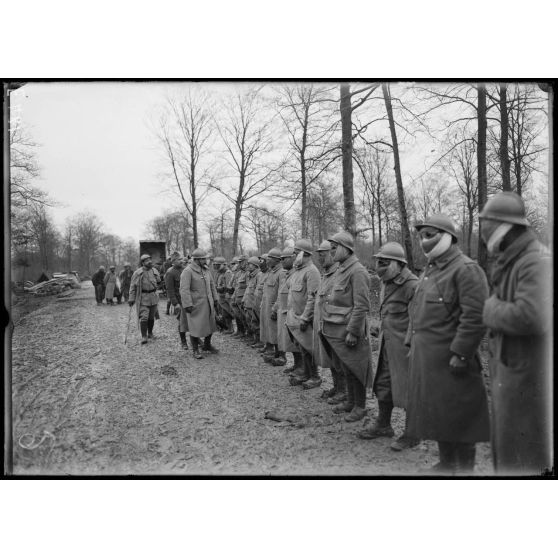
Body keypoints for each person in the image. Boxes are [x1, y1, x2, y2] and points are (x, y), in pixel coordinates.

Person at [405, 214, 489, 475]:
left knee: (460, 418)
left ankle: (464, 470)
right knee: (439, 414)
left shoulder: (466, 269)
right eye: (421, 236)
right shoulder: (431, 270)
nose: (423, 241)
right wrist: (411, 342)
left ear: (448, 237)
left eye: (430, 235)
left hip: (452, 362)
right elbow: (417, 309)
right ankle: (446, 463)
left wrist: (461, 354)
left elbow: (475, 317)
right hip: (429, 360)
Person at [479, 192, 552, 475]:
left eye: (486, 227)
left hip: (528, 381)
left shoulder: (536, 261)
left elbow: (532, 317)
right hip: (512, 375)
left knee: (524, 458)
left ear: (502, 227)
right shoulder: (517, 259)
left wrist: (490, 309)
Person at [357, 242, 419, 451]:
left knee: (410, 390)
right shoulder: (387, 281)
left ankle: (413, 433)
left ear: (398, 264)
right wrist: (379, 327)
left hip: (405, 348)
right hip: (387, 344)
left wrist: (413, 348)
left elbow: (417, 321)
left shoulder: (412, 285)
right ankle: (384, 424)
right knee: (383, 385)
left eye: (384, 263)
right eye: (378, 262)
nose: (379, 267)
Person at [320, 231, 372, 422]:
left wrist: (353, 331)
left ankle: (360, 406)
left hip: (350, 329)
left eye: (335, 248)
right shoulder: (343, 269)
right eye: (331, 248)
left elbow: (362, 305)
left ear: (345, 249)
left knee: (357, 367)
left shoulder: (357, 271)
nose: (332, 252)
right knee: (347, 366)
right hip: (338, 327)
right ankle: (351, 401)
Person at [286, 239, 322, 389]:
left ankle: (315, 376)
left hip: (304, 319)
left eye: (296, 253)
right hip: (294, 317)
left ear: (303, 254)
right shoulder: (297, 271)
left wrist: (306, 318)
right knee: (302, 348)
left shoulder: (312, 271)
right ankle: (306, 374)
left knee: (309, 348)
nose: (294, 256)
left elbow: (313, 297)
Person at [314, 241, 343, 400]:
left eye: (323, 255)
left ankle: (343, 391)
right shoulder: (325, 274)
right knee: (331, 358)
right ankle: (337, 386)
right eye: (319, 255)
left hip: (335, 323)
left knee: (339, 358)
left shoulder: (339, 273)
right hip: (324, 322)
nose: (320, 258)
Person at [180, 248, 220, 359]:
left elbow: (212, 286)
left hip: (208, 303)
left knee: (211, 325)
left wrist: (215, 299)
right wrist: (187, 304)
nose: (206, 261)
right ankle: (195, 350)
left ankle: (207, 345)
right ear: (197, 260)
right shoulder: (188, 271)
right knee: (195, 327)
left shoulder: (206, 270)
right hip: (196, 304)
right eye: (204, 259)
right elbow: (184, 289)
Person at [273, 247, 303, 373]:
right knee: (290, 342)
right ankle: (297, 365)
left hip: (293, 313)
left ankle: (302, 367)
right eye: (280, 259)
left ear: (293, 258)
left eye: (284, 258)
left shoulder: (296, 274)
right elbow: (281, 294)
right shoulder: (288, 274)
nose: (282, 261)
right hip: (284, 312)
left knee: (297, 342)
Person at [128, 254, 161, 344]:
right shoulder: (138, 273)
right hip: (143, 297)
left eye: (150, 259)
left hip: (153, 297)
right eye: (146, 260)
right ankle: (144, 336)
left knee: (151, 316)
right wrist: (131, 298)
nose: (149, 261)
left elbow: (159, 282)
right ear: (142, 263)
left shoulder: (154, 271)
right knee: (144, 317)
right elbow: (132, 287)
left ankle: (150, 333)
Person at [260, 248, 283, 364]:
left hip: (274, 308)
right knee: (270, 331)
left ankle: (281, 356)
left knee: (277, 332)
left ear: (276, 260)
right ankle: (273, 353)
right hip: (267, 307)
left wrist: (275, 308)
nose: (267, 260)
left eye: (269, 258)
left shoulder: (281, 273)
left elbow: (281, 293)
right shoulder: (271, 272)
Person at [165, 254, 189, 350]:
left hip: (188, 299)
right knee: (182, 322)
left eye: (181, 259)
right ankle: (184, 342)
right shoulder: (170, 273)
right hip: (179, 301)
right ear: (173, 261)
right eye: (179, 259)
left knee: (192, 320)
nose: (181, 261)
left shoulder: (185, 269)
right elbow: (170, 290)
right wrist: (175, 303)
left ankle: (196, 339)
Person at [242, 256, 261, 346]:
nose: (248, 266)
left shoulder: (258, 275)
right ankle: (255, 339)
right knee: (251, 322)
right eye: (248, 264)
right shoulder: (250, 276)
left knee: (256, 323)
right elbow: (248, 290)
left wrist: (255, 304)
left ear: (256, 266)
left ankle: (260, 341)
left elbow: (258, 292)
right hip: (248, 303)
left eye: (251, 264)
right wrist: (244, 300)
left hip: (254, 304)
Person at [214, 257, 234, 334]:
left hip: (226, 297)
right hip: (221, 297)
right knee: (224, 313)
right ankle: (229, 328)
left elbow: (229, 287)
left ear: (224, 265)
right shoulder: (219, 273)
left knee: (230, 313)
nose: (216, 266)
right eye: (215, 265)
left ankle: (232, 329)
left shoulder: (228, 273)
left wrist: (220, 288)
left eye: (218, 265)